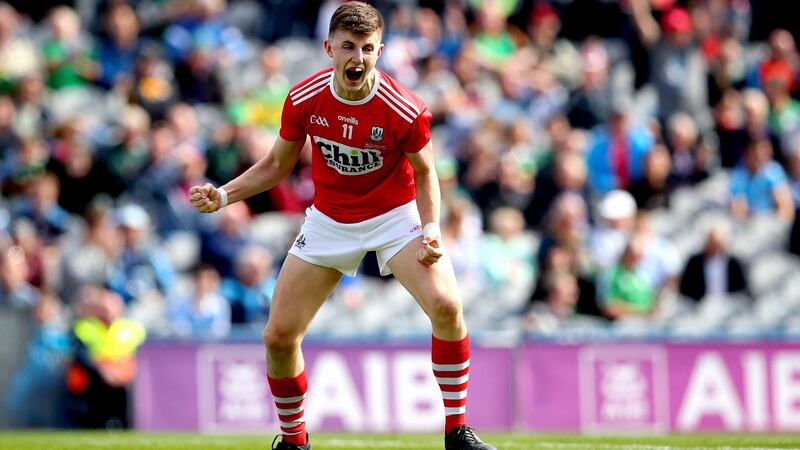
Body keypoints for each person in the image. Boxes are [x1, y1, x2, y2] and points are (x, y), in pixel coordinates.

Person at [189, 3, 495, 450]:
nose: (357, 58)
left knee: (447, 307)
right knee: (278, 337)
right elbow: (277, 164)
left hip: (395, 219)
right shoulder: (304, 97)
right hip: (330, 220)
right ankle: (294, 442)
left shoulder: (405, 108)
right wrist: (224, 195)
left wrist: (431, 229)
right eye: (348, 47)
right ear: (328, 47)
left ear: (381, 51)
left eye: (367, 49)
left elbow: (427, 174)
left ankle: (457, 432)